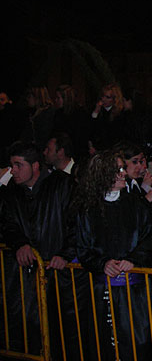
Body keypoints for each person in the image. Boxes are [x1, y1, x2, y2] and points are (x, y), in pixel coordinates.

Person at [75, 149, 152, 361]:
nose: (123, 173)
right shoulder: (87, 209)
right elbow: (83, 248)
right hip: (101, 289)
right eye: (116, 169)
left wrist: (134, 259)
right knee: (104, 342)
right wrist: (102, 263)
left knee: (137, 341)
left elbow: (150, 238)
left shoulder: (136, 204)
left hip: (135, 289)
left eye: (122, 168)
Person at [0, 141, 78, 357]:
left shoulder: (62, 185)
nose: (12, 171)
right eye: (11, 165)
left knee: (62, 333)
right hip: (25, 281)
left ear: (35, 166)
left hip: (59, 278)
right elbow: (8, 224)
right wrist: (20, 244)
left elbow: (76, 223)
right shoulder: (12, 194)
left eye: (18, 165)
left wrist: (65, 254)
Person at [52, 84, 90, 160]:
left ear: (66, 99)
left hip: (76, 152)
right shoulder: (58, 113)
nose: (56, 100)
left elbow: (81, 137)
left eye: (58, 98)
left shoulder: (79, 113)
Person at [89, 83, 125, 152]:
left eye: (108, 97)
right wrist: (96, 112)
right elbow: (91, 130)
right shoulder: (98, 110)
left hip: (113, 149)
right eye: (102, 96)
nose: (103, 99)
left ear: (115, 99)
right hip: (98, 149)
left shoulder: (120, 114)